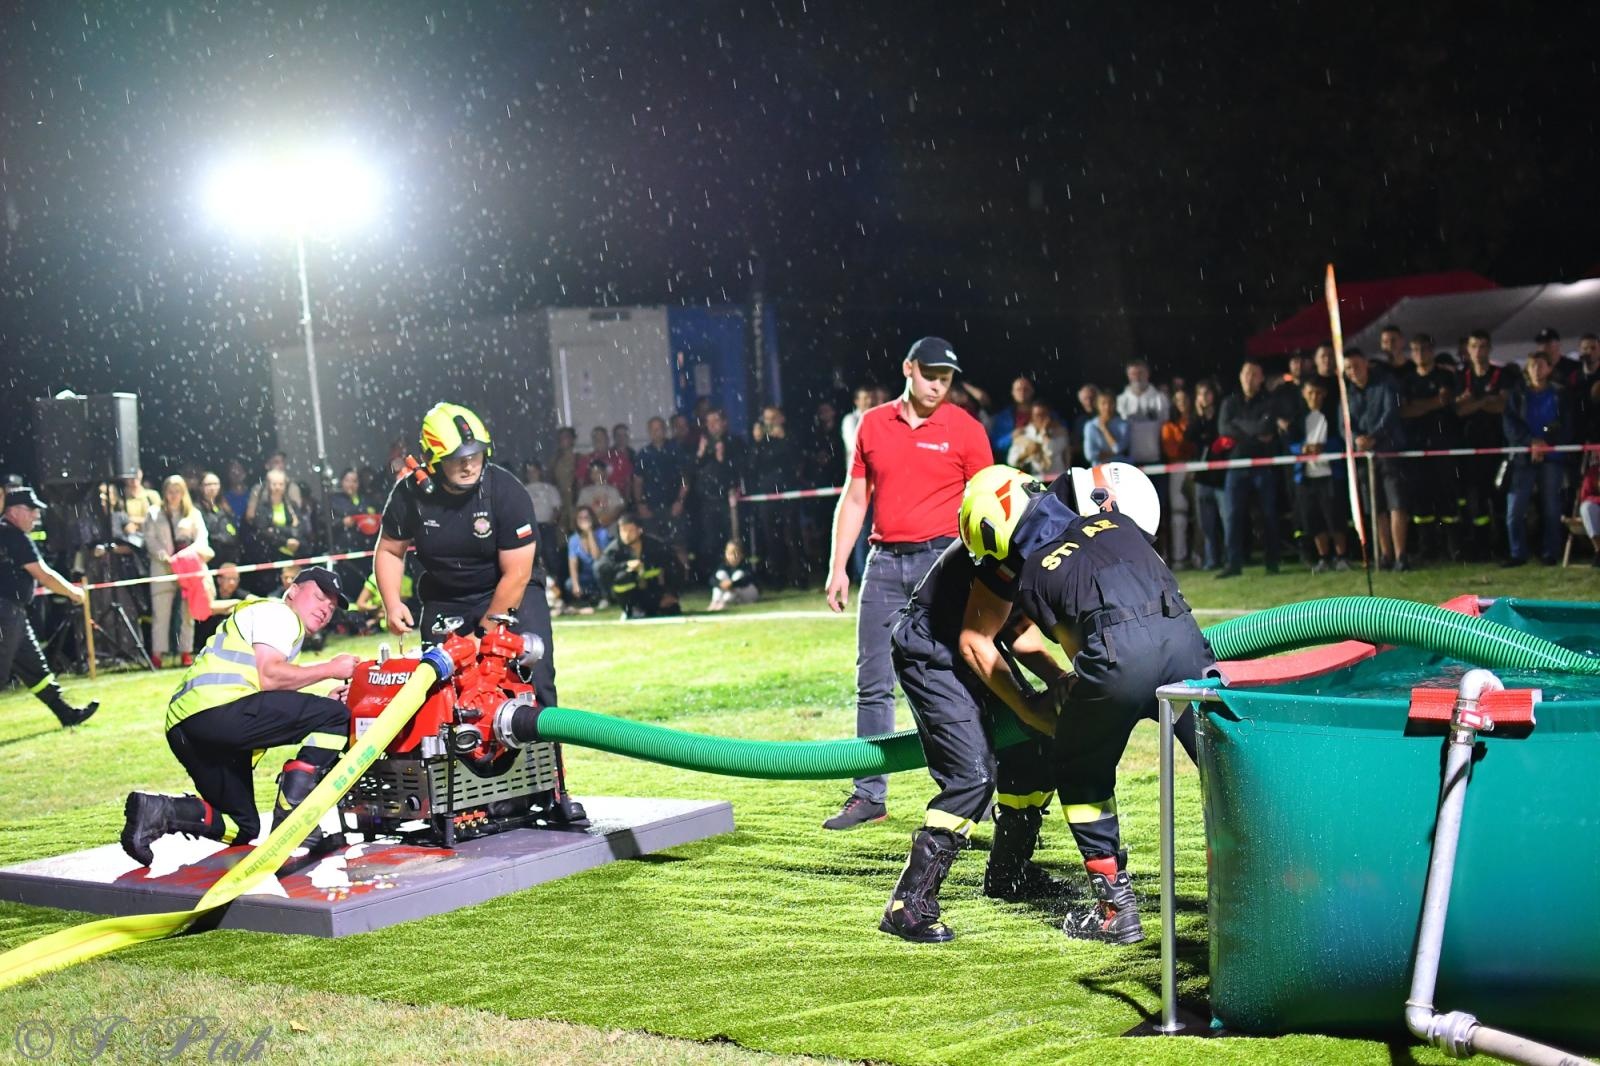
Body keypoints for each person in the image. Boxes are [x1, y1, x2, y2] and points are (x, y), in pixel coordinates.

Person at [964, 463, 1214, 944]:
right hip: (1186, 641)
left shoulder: (1033, 574)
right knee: (1222, 757)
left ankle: (1114, 909)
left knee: (1079, 768)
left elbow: (1085, 654)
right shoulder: (1119, 522)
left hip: (1119, 660)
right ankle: (1278, 863)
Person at [878, 465, 1076, 942]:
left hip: (966, 644)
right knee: (972, 775)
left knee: (1033, 759)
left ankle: (1008, 876)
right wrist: (1030, 705)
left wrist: (1057, 677)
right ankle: (907, 903)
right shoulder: (1002, 548)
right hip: (933, 652)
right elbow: (975, 643)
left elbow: (1014, 627)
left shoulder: (1028, 531)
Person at [374, 402, 582, 823]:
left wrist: (485, 635)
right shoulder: (410, 494)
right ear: (434, 459)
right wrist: (392, 602)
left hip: (509, 590)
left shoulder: (506, 491)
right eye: (457, 459)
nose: (469, 465)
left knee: (533, 680)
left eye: (475, 455)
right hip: (446, 598)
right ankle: (460, 798)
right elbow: (390, 549)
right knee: (440, 693)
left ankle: (552, 788)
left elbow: (518, 571)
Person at [822, 337, 992, 830]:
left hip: (944, 562)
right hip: (882, 564)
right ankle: (868, 795)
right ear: (908, 369)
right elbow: (856, 499)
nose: (938, 384)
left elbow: (988, 500)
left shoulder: (965, 429)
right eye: (931, 373)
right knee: (872, 683)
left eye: (947, 377)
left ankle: (970, 787)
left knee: (961, 677)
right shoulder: (873, 424)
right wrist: (839, 567)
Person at [119, 567, 357, 865]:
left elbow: (265, 693)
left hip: (185, 726)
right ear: (293, 590)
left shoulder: (266, 618)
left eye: (332, 606)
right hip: (217, 713)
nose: (326, 608)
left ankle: (159, 811)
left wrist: (317, 710)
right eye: (320, 597)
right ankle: (295, 814)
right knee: (339, 716)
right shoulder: (280, 615)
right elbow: (269, 676)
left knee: (244, 827)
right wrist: (331, 671)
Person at [0, 487, 98, 728]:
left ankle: (65, 713)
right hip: (5, 612)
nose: (36, 516)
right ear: (14, 511)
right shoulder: (13, 536)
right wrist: (74, 592)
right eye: (31, 510)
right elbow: (44, 575)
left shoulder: (5, 533)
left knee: (34, 667)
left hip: (12, 611)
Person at [1502, 350, 1575, 567]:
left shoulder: (1560, 395)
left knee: (1551, 507)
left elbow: (1567, 425)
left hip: (1552, 457)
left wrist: (1545, 442)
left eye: (1541, 365)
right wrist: (1530, 442)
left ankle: (1550, 553)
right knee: (1514, 509)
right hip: (1524, 458)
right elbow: (1510, 425)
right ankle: (1518, 553)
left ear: (1550, 369)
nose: (1536, 370)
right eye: (1532, 365)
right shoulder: (1518, 395)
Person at [1343, 348, 1410, 570]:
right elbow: (1344, 425)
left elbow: (1391, 413)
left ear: (1366, 364)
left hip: (1388, 452)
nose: (1353, 371)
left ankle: (1401, 556)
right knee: (1376, 508)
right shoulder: (1347, 393)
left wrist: (1373, 437)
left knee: (1396, 504)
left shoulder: (1385, 384)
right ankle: (1385, 556)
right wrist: (1356, 439)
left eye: (1356, 366)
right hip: (1365, 458)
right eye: (1348, 368)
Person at [1216, 360, 1282, 577]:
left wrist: (1240, 429)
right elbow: (1224, 428)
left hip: (1263, 465)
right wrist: (1254, 434)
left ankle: (1272, 561)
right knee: (1233, 514)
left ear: (1261, 378)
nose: (1249, 378)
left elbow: (1268, 427)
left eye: (1254, 374)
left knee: (1269, 514)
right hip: (1236, 465)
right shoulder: (1230, 402)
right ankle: (1233, 563)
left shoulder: (1270, 401)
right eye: (1246, 373)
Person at [144, 475, 213, 669]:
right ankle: (158, 654)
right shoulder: (154, 513)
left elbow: (202, 540)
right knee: (161, 613)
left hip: (189, 568)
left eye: (178, 491)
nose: (174, 495)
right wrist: (164, 557)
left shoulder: (193, 514)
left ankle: (186, 652)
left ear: (183, 493)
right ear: (164, 492)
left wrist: (185, 556)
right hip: (162, 568)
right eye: (170, 491)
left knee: (188, 613)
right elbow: (149, 539)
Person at [1455, 330, 1511, 560]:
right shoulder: (1462, 377)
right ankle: (1481, 547)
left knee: (1499, 498)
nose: (1478, 351)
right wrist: (1487, 400)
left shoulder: (1502, 374)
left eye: (1483, 346)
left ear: (1489, 348)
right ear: (1468, 349)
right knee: (1475, 501)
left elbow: (1503, 406)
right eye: (1474, 346)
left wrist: (1475, 403)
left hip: (1498, 447)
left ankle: (1504, 547)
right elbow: (1459, 410)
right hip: (1470, 449)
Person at [1287, 379, 1350, 572]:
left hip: (1330, 475)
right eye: (1310, 393)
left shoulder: (1333, 415)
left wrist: (1323, 447)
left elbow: (1341, 440)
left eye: (1318, 393)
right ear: (1304, 395)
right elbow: (1290, 445)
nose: (1314, 397)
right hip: (1306, 477)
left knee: (1335, 517)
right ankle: (1323, 557)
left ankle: (1342, 557)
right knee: (1313, 518)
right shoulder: (1298, 419)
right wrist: (1302, 448)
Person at [596, 512, 683, 620]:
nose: (626, 535)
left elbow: (676, 567)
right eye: (623, 530)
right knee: (623, 577)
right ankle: (631, 609)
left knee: (672, 611)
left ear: (640, 530)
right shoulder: (614, 549)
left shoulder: (656, 546)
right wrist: (625, 565)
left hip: (653, 592)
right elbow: (600, 568)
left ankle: (657, 606)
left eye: (630, 530)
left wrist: (672, 593)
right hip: (630, 596)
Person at [565, 505, 609, 611]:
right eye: (580, 518)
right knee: (569, 583)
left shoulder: (602, 533)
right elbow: (573, 562)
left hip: (603, 574)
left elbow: (597, 556)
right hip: (588, 576)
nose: (584, 520)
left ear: (592, 518)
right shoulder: (573, 539)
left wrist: (589, 532)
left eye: (586, 517)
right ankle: (592, 599)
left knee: (596, 566)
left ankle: (605, 597)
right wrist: (576, 585)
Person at [197, 471, 241, 566]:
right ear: (201, 487)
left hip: (231, 553)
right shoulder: (197, 509)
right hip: (213, 556)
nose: (212, 488)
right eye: (208, 484)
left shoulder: (224, 505)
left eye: (216, 484)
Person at [708, 540, 758, 611]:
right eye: (730, 553)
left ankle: (724, 602)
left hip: (748, 593)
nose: (733, 556)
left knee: (738, 574)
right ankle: (715, 601)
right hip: (733, 594)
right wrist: (720, 583)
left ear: (741, 554)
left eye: (736, 553)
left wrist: (732, 584)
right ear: (726, 554)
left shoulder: (745, 565)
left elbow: (747, 580)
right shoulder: (723, 566)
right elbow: (711, 580)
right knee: (720, 574)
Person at [1083, 391, 1129, 465]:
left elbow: (1118, 449)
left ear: (1115, 404)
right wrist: (1112, 453)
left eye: (1110, 403)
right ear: (1097, 405)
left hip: (1121, 467)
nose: (1107, 407)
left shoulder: (1123, 424)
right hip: (1099, 469)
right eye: (1103, 403)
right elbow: (1090, 455)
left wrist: (1104, 429)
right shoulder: (1090, 426)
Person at [576, 459, 625, 530]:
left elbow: (617, 509)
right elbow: (581, 509)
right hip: (592, 528)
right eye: (592, 472)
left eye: (598, 472)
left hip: (610, 528)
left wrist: (607, 521)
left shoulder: (613, 490)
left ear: (605, 472)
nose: (595, 475)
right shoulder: (585, 492)